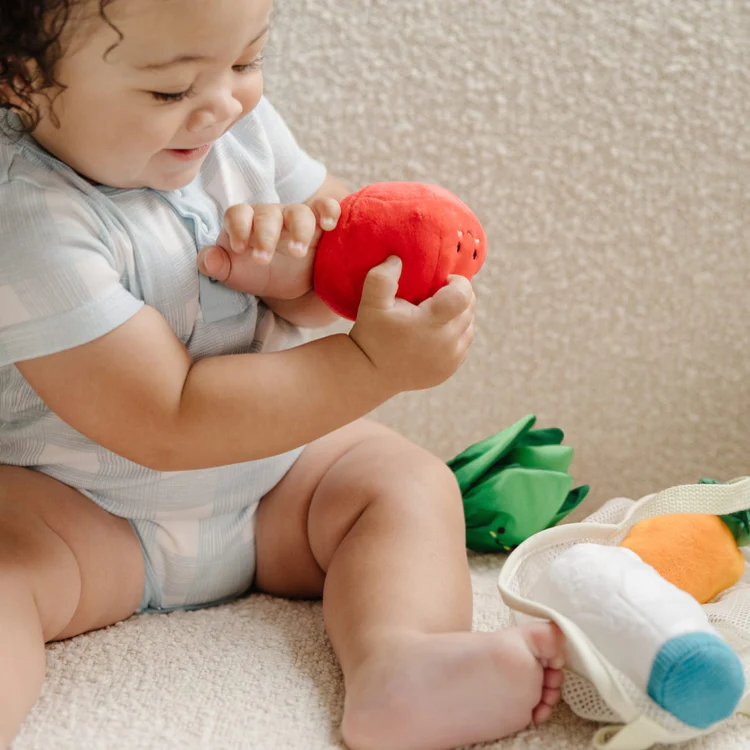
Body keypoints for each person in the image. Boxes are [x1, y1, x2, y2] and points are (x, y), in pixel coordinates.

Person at [0, 1, 565, 747]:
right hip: (76, 511)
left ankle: (403, 663)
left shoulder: (237, 133)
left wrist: (301, 271)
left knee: (406, 484)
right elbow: (167, 418)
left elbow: (339, 240)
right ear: (22, 80)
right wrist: (370, 366)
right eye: (171, 91)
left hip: (272, 489)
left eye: (245, 62)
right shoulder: (24, 216)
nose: (222, 105)